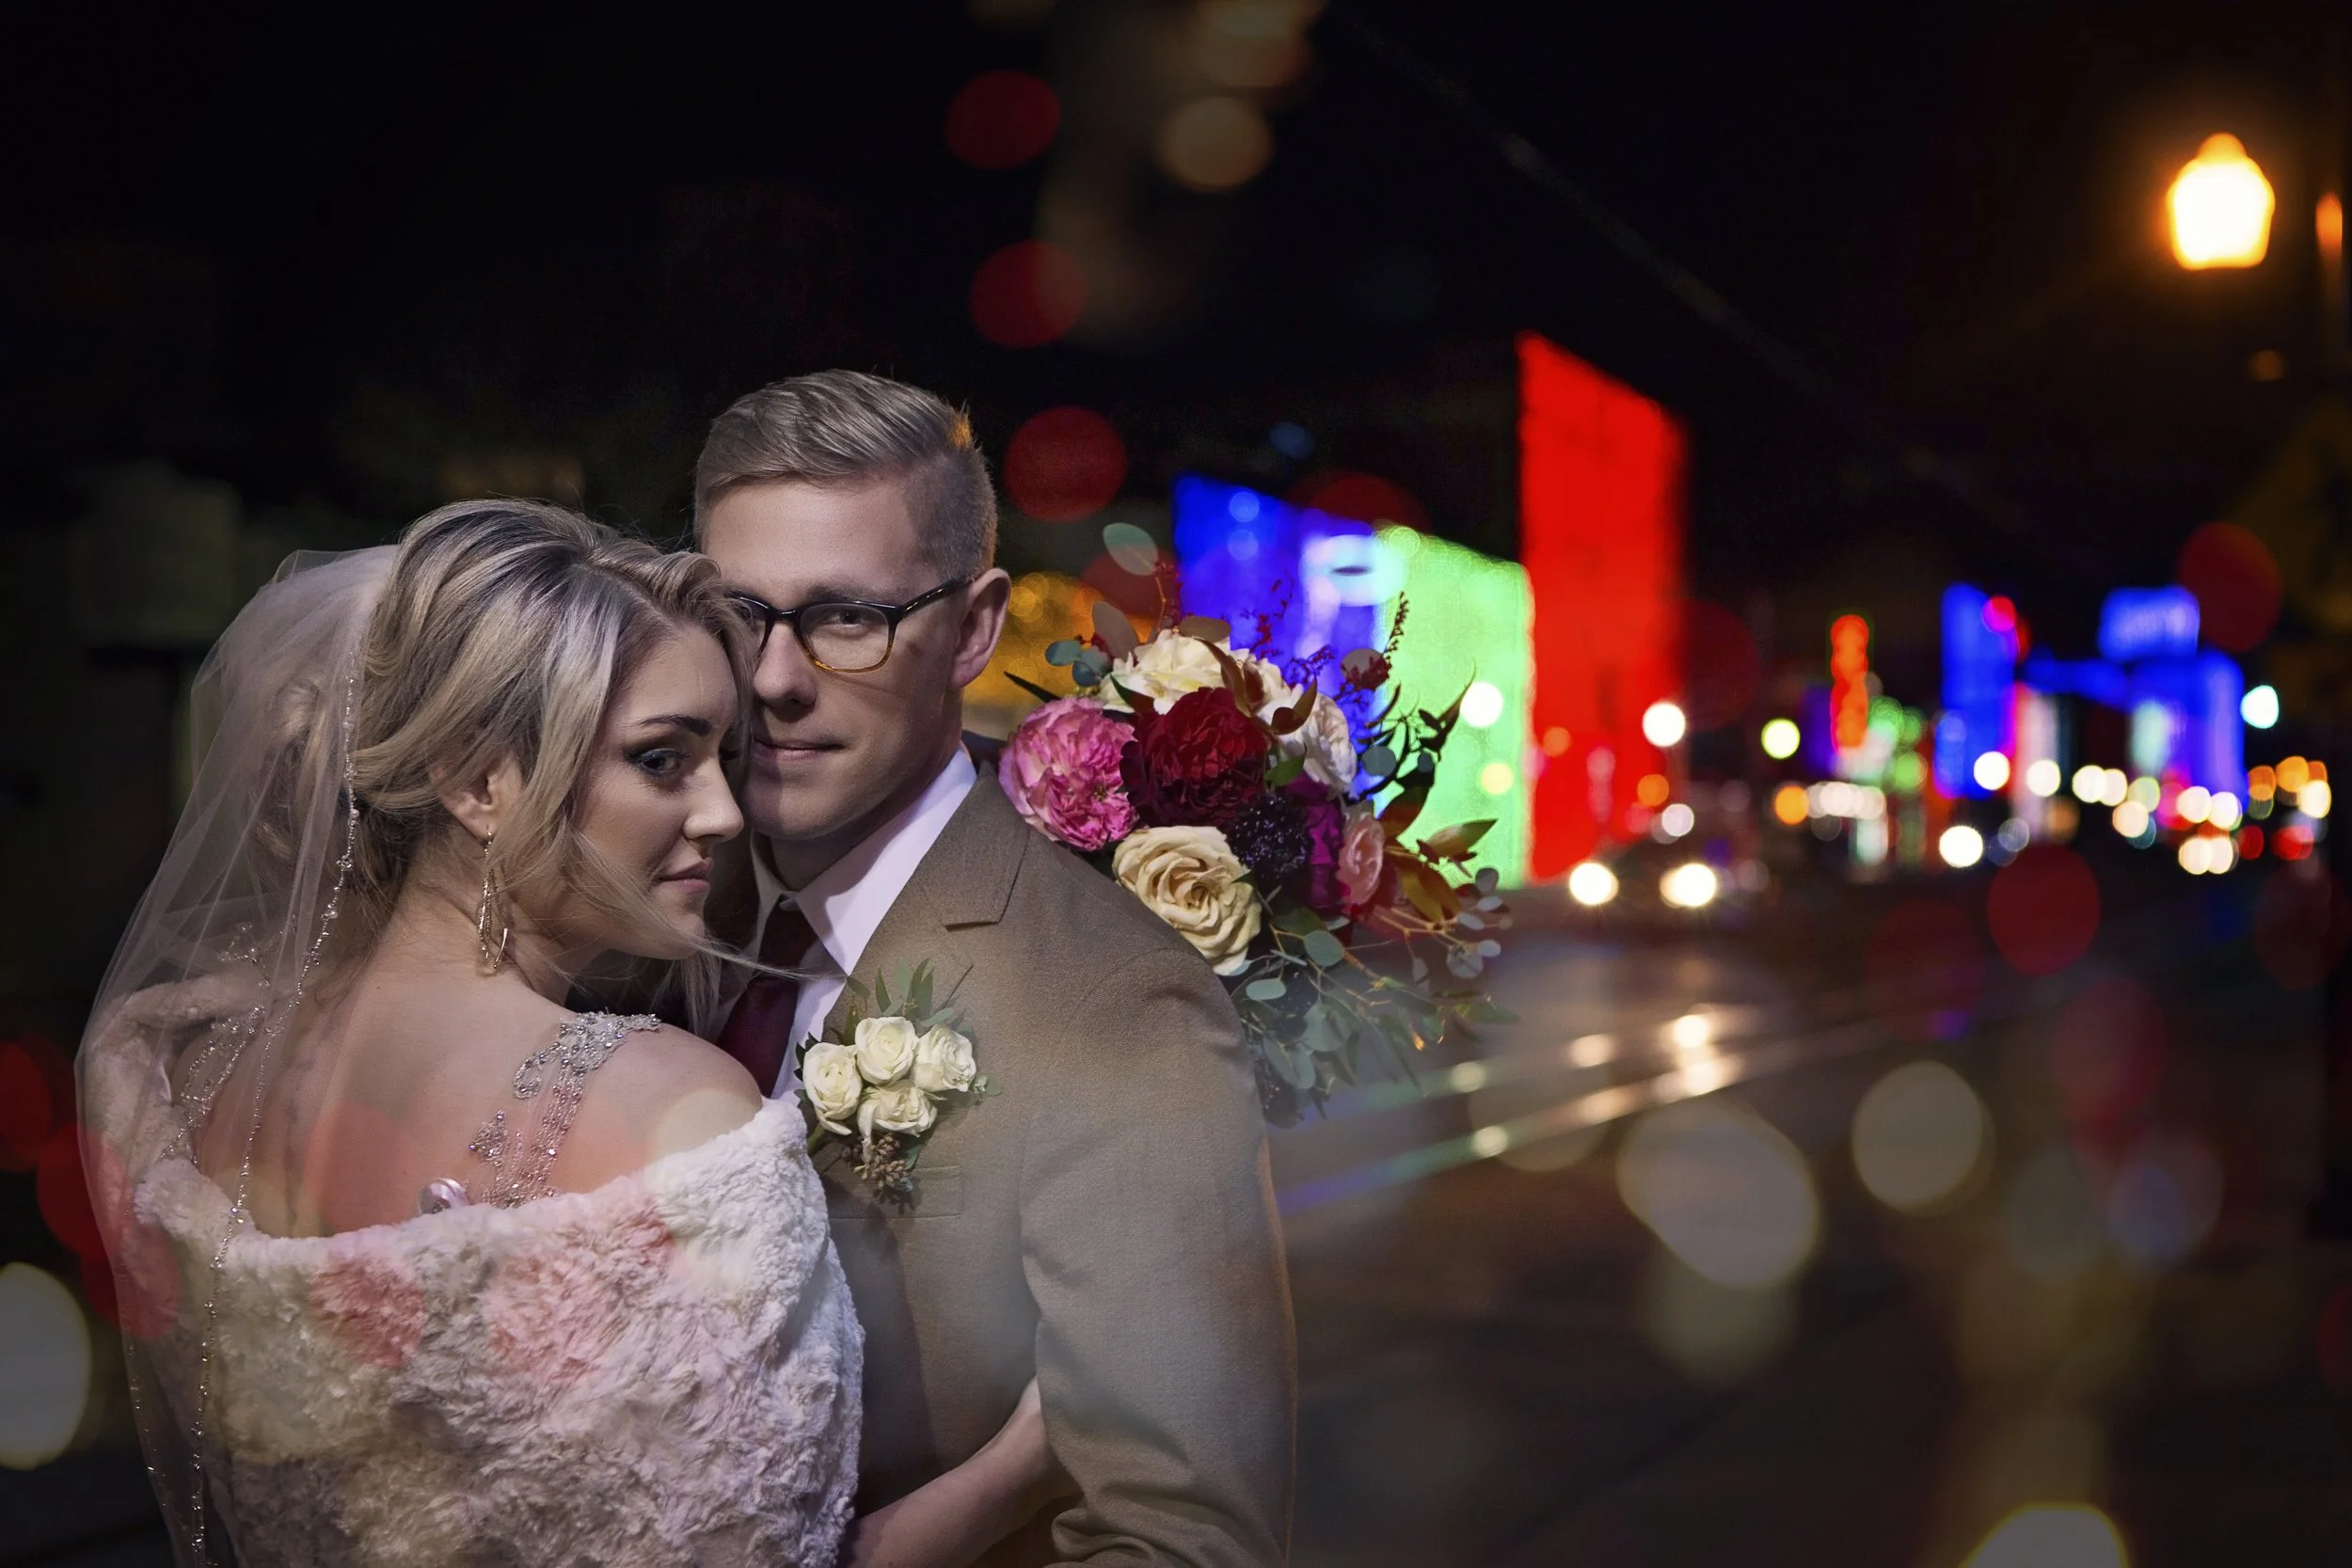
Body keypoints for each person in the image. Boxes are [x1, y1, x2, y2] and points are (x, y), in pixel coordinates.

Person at [76, 501, 1059, 1567]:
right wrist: (1030, 1460)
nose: (724, 813)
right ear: (477, 781)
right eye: (662, 759)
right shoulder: (668, 1111)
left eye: (722, 757)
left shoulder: (204, 1064)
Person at [694, 371, 1296, 1567]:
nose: (771, 677)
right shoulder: (636, 923)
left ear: (972, 629)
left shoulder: (1114, 1002)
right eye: (734, 613)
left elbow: (1179, 1539)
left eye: (845, 617)